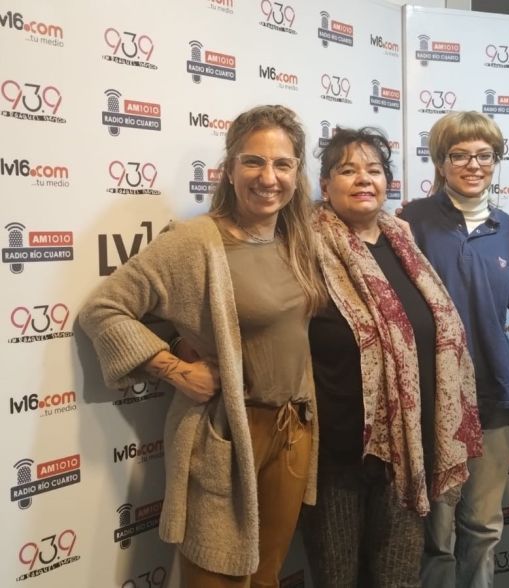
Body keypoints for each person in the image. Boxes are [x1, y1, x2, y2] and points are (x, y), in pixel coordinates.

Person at [79, 105, 328, 587]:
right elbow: (104, 309)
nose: (268, 177)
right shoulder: (195, 242)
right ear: (229, 170)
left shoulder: (297, 239)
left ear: (297, 173)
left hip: (293, 428)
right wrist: (172, 366)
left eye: (283, 164)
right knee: (215, 577)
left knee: (267, 575)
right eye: (253, 161)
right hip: (228, 435)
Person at [302, 127, 482, 588]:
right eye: (347, 170)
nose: (364, 179)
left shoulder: (402, 239)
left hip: (408, 448)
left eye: (374, 170)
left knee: (398, 577)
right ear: (324, 186)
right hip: (336, 454)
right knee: (337, 578)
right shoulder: (301, 246)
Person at [399, 111, 509, 588]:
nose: (473, 164)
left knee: (481, 525)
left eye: (484, 155)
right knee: (436, 530)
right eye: (459, 154)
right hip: (434, 398)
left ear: (496, 160)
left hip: (494, 393)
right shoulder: (409, 222)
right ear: (440, 161)